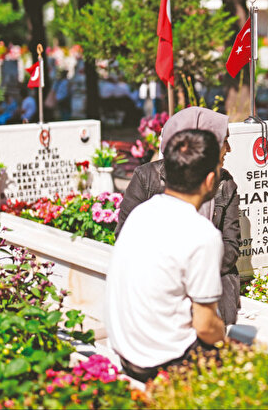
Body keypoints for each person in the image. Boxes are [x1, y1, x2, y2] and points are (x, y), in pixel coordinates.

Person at [106, 129, 226, 382]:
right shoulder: (202, 234)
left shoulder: (141, 212)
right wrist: (224, 335)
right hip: (161, 362)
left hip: (125, 351)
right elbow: (205, 326)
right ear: (210, 179)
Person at [114, 107, 240, 325]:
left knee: (214, 321)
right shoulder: (146, 177)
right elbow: (125, 237)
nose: (229, 149)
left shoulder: (225, 184)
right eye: (224, 141)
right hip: (156, 277)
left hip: (212, 274)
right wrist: (175, 274)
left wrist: (198, 271)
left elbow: (231, 245)